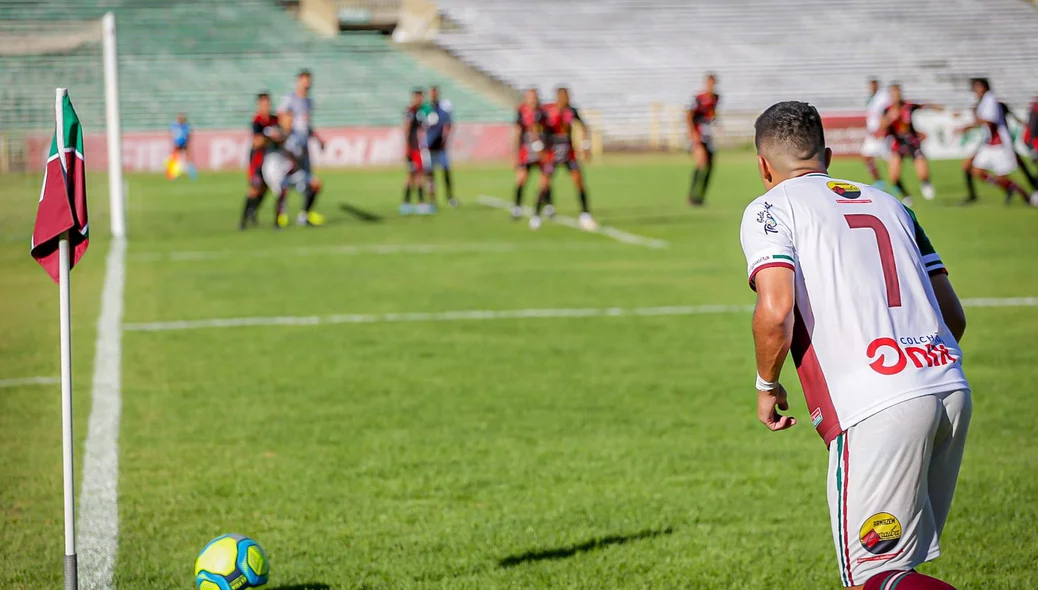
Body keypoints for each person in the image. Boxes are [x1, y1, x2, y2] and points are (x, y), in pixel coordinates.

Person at [740, 100, 970, 590]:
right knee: (898, 570)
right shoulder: (893, 204)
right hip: (948, 385)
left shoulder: (770, 208)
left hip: (878, 404)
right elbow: (953, 315)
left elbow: (776, 310)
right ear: (827, 155)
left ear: (763, 165)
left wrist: (767, 384)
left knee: (876, 578)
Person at [959, 78, 1037, 206]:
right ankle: (1011, 188)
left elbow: (990, 121)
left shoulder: (990, 100)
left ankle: (1024, 193)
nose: (976, 90)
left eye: (979, 87)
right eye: (975, 87)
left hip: (999, 145)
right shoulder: (984, 101)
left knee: (1003, 176)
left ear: (985, 87)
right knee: (976, 171)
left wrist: (969, 125)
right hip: (988, 144)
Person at [532, 86, 596, 231]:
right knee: (544, 183)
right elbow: (535, 126)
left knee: (579, 181)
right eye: (564, 96)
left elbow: (584, 127)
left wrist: (585, 146)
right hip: (551, 152)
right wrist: (538, 146)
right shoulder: (547, 111)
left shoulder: (571, 111)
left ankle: (585, 214)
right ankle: (536, 214)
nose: (567, 99)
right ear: (558, 97)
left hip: (568, 151)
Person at [277, 69, 325, 226]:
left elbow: (306, 125)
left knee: (310, 182)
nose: (307, 83)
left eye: (309, 80)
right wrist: (285, 133)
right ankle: (281, 214)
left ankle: (304, 215)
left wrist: (317, 139)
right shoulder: (290, 99)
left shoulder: (308, 102)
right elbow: (281, 116)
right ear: (298, 80)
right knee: (285, 179)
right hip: (292, 147)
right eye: (305, 79)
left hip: (305, 149)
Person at [880, 84, 939, 204]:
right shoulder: (887, 110)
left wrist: (937, 107)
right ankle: (906, 196)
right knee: (893, 176)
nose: (896, 96)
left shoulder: (908, 106)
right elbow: (881, 127)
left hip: (912, 141)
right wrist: (889, 119)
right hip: (897, 143)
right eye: (893, 94)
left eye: (897, 93)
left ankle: (925, 182)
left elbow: (923, 106)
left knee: (922, 168)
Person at [240, 93, 281, 230]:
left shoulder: (274, 119)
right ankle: (243, 221)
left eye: (268, 103)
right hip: (257, 159)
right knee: (254, 189)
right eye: (263, 104)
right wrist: (269, 137)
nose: (266, 106)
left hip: (270, 160)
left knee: (266, 187)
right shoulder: (257, 121)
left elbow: (281, 135)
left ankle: (253, 211)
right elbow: (257, 142)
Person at [512, 88, 551, 220]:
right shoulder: (521, 111)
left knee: (545, 179)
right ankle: (517, 207)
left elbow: (547, 130)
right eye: (530, 97)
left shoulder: (543, 112)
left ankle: (548, 205)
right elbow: (517, 133)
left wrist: (545, 147)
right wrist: (515, 154)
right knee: (521, 178)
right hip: (527, 150)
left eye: (534, 97)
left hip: (542, 150)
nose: (533, 100)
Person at [686, 73, 720, 206]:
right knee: (701, 163)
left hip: (708, 136)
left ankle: (701, 196)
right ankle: (692, 196)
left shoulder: (716, 98)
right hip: (698, 135)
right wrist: (693, 135)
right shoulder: (699, 98)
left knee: (711, 165)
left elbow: (712, 114)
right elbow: (689, 116)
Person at [423, 85, 457, 207]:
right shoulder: (425, 109)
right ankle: (432, 200)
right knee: (430, 174)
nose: (433, 95)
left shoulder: (443, 110)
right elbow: (420, 128)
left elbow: (448, 124)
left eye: (435, 93)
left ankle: (450, 197)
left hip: (441, 147)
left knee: (446, 171)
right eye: (432, 93)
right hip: (428, 147)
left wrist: (445, 138)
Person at [401, 88, 432, 215]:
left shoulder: (422, 111)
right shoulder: (411, 111)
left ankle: (414, 203)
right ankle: (410, 203)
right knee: (412, 176)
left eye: (421, 97)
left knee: (418, 175)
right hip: (413, 148)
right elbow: (406, 129)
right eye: (417, 97)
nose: (419, 99)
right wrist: (407, 148)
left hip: (419, 148)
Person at [861, 77, 891, 187]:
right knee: (866, 156)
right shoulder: (872, 98)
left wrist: (882, 129)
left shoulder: (883, 97)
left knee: (889, 158)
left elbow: (887, 113)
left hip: (880, 132)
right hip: (872, 132)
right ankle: (879, 181)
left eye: (872, 85)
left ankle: (895, 181)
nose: (871, 88)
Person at [169, 113, 197, 180]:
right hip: (177, 144)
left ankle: (192, 174)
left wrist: (187, 142)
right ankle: (173, 174)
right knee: (175, 160)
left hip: (184, 144)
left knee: (188, 159)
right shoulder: (174, 125)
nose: (181, 120)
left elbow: (188, 135)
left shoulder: (186, 126)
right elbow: (172, 134)